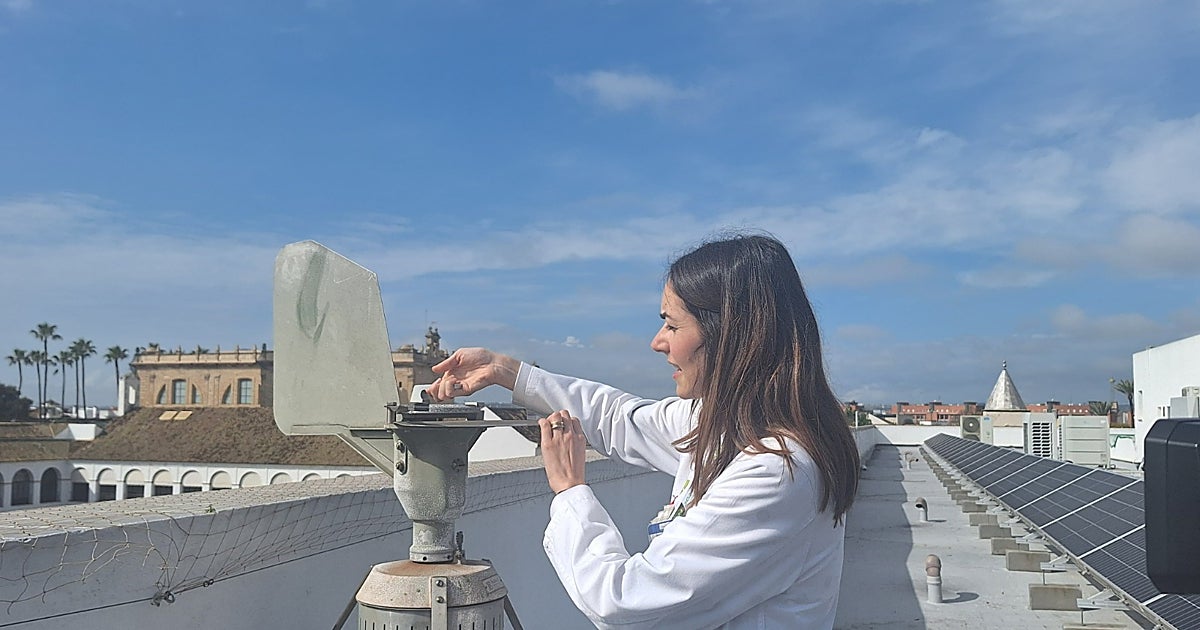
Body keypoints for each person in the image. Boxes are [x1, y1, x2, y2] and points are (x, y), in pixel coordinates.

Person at [426, 233, 860, 629]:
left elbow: (624, 602)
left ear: (730, 334)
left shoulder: (776, 472)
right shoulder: (724, 427)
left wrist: (571, 492)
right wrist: (508, 372)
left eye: (672, 325)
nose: (658, 341)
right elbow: (622, 418)